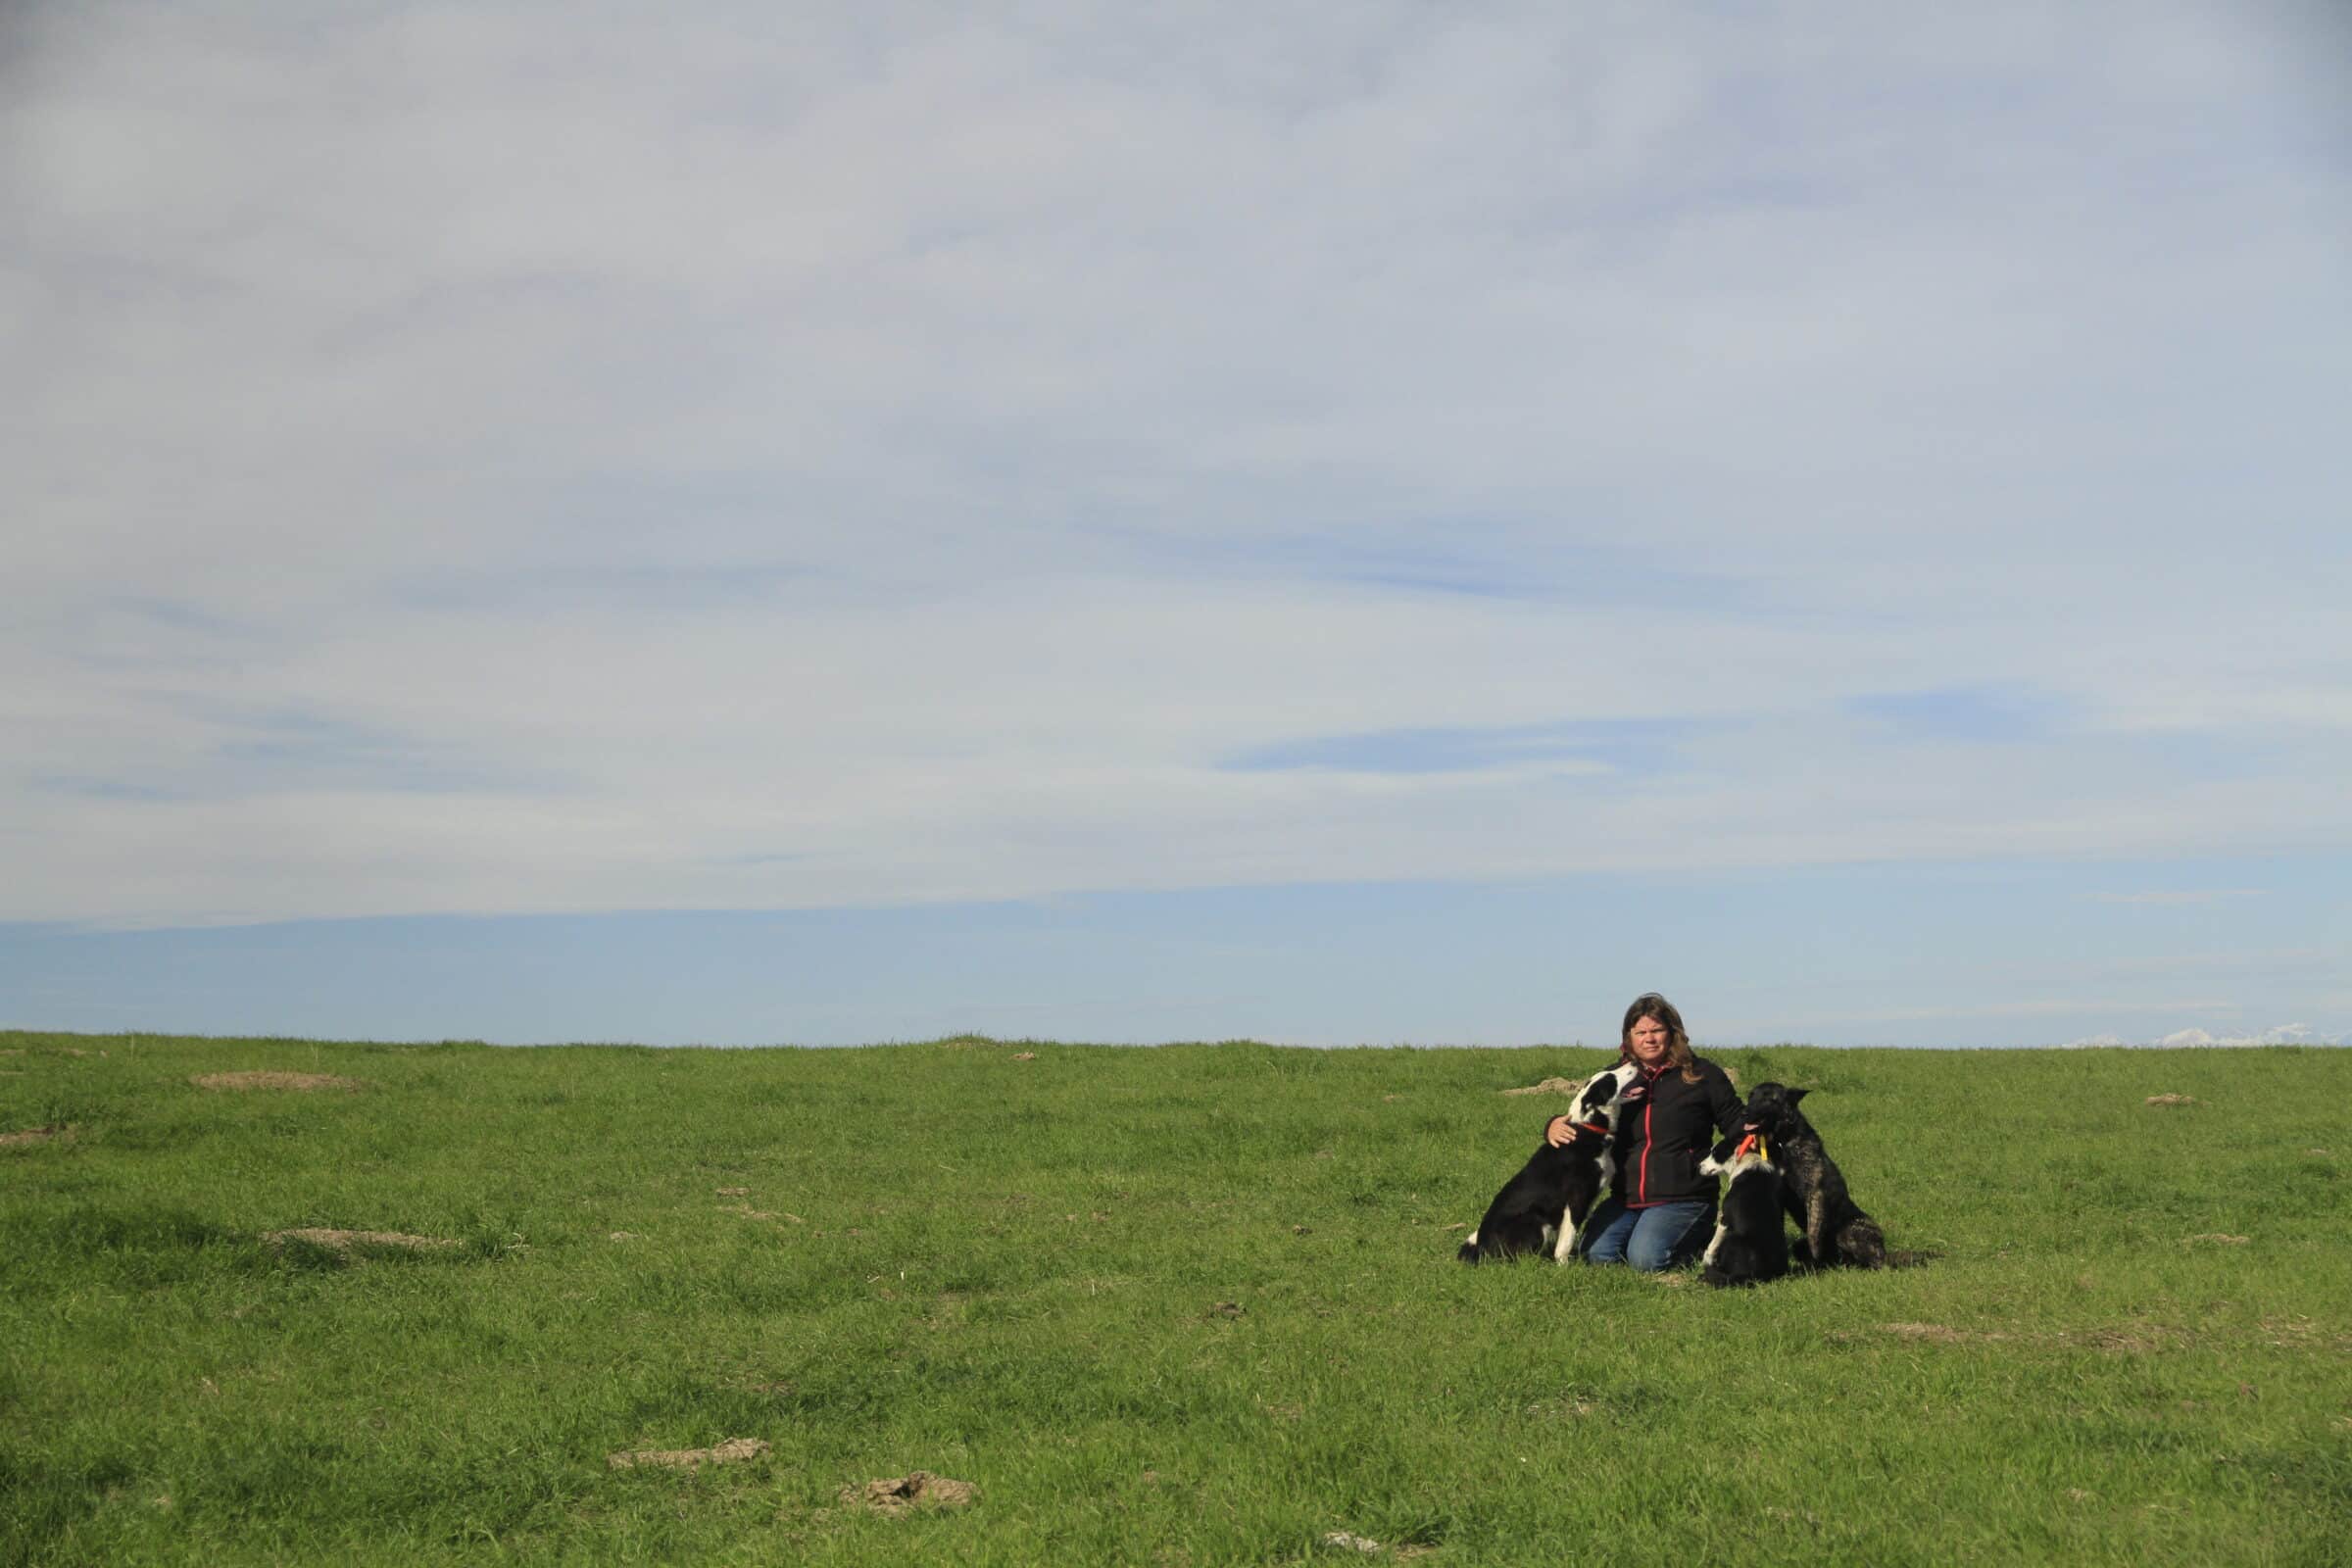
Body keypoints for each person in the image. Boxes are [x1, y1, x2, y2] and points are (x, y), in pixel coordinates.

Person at [1544, 992, 1744, 1272]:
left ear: (1672, 1033)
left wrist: (1764, 1128)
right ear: (1629, 1036)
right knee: (1596, 1256)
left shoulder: (1702, 1074)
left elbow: (1736, 1122)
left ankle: (1704, 1242)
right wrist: (1553, 1125)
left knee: (1647, 1260)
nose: (1649, 1038)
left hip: (1684, 1196)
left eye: (1657, 1030)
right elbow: (1581, 1116)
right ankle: (1649, 1236)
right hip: (1626, 1198)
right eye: (1640, 1032)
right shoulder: (1614, 1079)